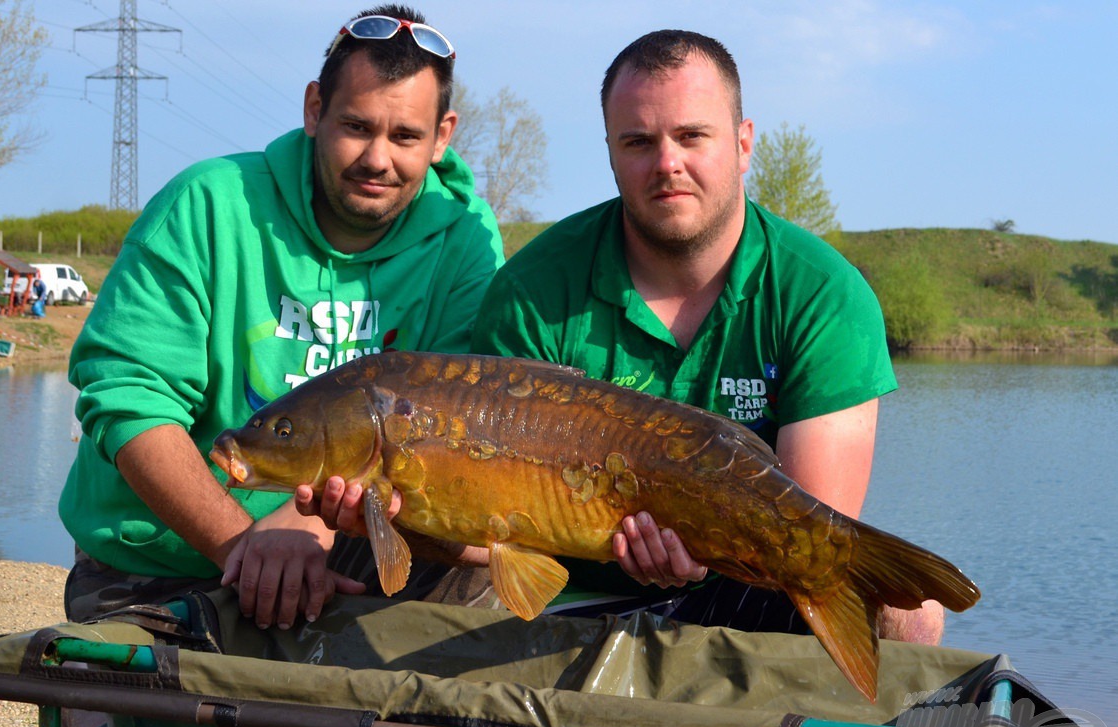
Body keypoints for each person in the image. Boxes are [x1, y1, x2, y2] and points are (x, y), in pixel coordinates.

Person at [470, 30, 942, 644]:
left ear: (744, 144)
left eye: (692, 136)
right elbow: (489, 512)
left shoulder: (823, 294)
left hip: (749, 579)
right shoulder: (531, 291)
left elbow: (815, 531)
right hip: (570, 589)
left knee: (912, 613)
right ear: (611, 153)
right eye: (638, 142)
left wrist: (704, 544)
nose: (667, 163)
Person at [59, 4, 503, 631]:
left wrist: (305, 526)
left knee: (476, 578)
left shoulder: (466, 240)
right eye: (356, 126)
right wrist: (241, 545)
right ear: (314, 109)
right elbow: (129, 401)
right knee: (140, 720)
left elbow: (454, 430)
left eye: (405, 136)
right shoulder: (207, 204)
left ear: (443, 137)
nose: (378, 158)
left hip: (356, 545)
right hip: (167, 557)